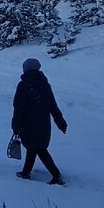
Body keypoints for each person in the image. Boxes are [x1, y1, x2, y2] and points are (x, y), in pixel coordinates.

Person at [12, 57, 68, 185]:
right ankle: (26, 172)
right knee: (34, 147)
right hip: (43, 123)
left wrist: (16, 125)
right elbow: (53, 105)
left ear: (25, 70)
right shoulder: (45, 84)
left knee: (39, 149)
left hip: (28, 124)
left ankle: (56, 175)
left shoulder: (23, 85)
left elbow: (18, 108)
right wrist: (60, 122)